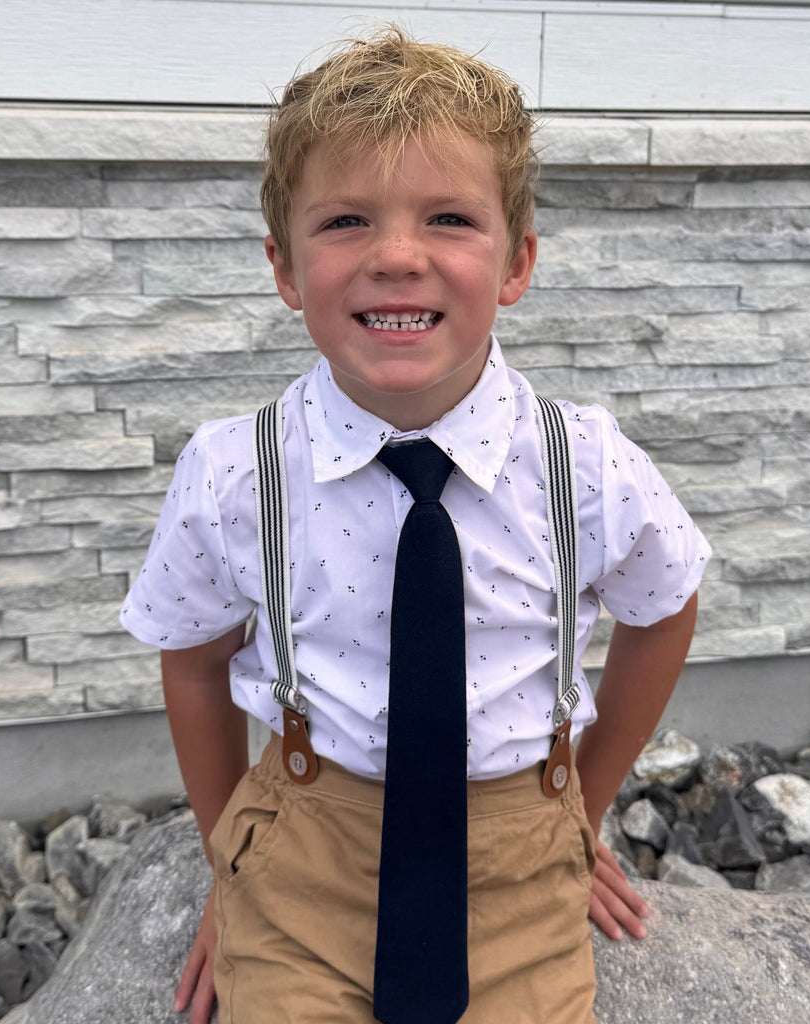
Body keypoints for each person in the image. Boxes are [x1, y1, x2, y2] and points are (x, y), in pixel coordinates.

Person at [120, 25, 710, 1024]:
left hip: (521, 857)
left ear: (517, 262)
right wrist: (232, 865)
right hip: (307, 850)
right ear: (283, 267)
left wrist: (581, 805)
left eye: (448, 218)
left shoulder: (583, 463)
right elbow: (193, 659)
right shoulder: (235, 472)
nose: (397, 257)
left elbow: (665, 604)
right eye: (346, 220)